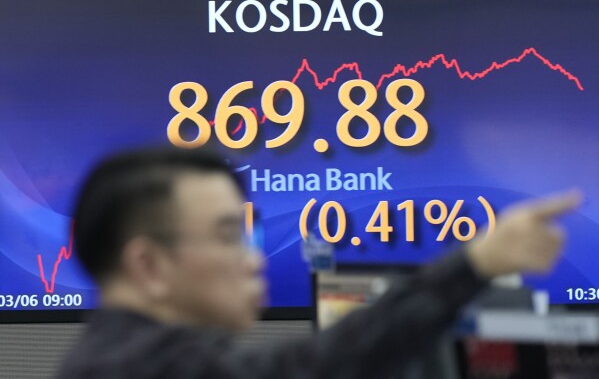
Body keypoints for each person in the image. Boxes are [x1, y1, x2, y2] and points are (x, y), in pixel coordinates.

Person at [56, 146, 581, 379]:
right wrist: (476, 262)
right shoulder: (140, 369)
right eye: (227, 236)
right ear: (148, 264)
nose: (253, 260)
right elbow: (318, 368)